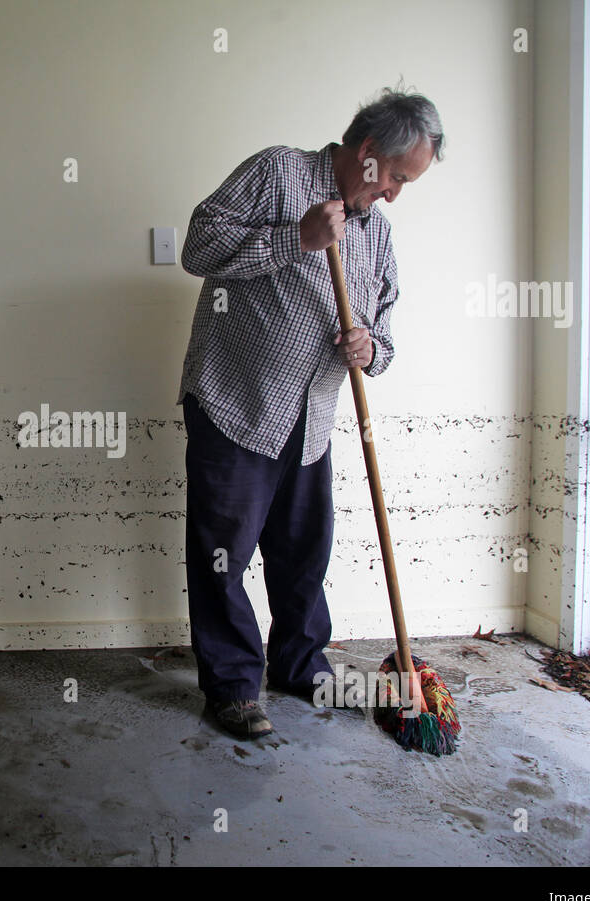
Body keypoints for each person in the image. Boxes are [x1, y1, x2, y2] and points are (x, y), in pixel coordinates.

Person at [176, 86, 444, 739]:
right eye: (397, 178)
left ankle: (300, 666)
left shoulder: (377, 236)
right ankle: (234, 688)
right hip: (238, 400)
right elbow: (199, 247)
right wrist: (294, 237)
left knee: (303, 558)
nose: (395, 195)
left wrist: (368, 347)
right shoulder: (278, 172)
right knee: (223, 555)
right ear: (369, 152)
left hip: (312, 419)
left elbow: (384, 335)